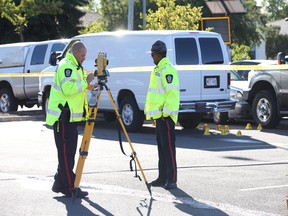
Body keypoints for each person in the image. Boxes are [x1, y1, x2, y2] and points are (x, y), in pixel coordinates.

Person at [46, 41, 94, 198]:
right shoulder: (67, 66)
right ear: (75, 52)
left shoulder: (75, 66)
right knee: (66, 154)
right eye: (82, 55)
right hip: (63, 117)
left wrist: (87, 86)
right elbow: (69, 89)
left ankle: (59, 183)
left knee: (67, 153)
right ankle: (69, 187)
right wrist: (86, 81)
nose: (84, 58)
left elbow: (76, 88)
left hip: (69, 118)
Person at [145, 40, 180, 190]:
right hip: (159, 116)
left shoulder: (167, 69)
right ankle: (162, 177)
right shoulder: (159, 69)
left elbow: (172, 94)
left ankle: (172, 179)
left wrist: (165, 114)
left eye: (153, 54)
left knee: (169, 148)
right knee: (162, 147)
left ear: (159, 54)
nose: (151, 57)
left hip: (165, 116)